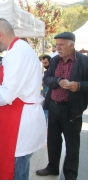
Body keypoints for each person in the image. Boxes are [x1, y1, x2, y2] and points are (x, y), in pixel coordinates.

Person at [0, 18, 47, 180]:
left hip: (19, 123)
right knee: (21, 169)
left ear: (0, 34)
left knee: (15, 173)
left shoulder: (15, 54)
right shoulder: (23, 48)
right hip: (26, 117)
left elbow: (5, 96)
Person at [36, 32, 88, 180]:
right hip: (54, 106)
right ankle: (52, 167)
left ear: (71, 45)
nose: (57, 48)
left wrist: (78, 86)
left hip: (72, 109)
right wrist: (58, 81)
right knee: (53, 139)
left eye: (61, 45)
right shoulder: (54, 61)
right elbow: (47, 78)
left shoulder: (84, 61)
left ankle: (70, 176)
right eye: (56, 44)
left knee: (72, 145)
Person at [41, 55, 52, 122]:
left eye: (45, 63)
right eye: (43, 63)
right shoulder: (46, 72)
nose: (44, 65)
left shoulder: (52, 72)